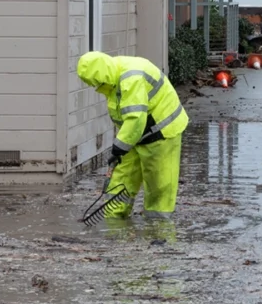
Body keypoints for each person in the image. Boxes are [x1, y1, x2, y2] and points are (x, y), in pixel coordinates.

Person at [77, 51, 188, 219]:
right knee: (122, 175)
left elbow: (135, 118)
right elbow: (129, 120)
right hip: (134, 134)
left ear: (102, 75)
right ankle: (114, 219)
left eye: (97, 83)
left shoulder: (131, 78)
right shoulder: (113, 77)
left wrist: (118, 147)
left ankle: (159, 229)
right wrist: (122, 145)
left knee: (158, 181)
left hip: (162, 131)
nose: (96, 87)